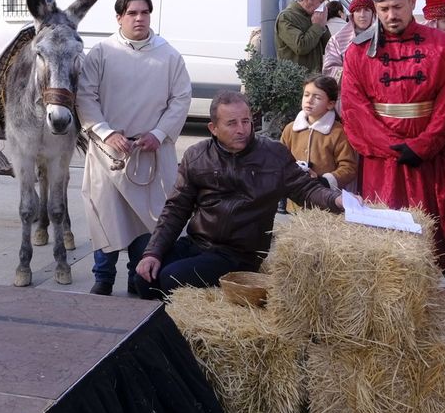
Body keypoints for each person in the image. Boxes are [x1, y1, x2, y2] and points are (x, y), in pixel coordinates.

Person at [134, 91, 342, 299]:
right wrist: (153, 252)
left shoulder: (272, 155)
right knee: (144, 279)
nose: (241, 130)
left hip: (238, 255)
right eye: (232, 123)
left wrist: (336, 199)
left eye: (246, 121)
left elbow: (306, 188)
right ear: (213, 129)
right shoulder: (197, 155)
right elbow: (176, 208)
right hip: (197, 243)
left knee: (172, 278)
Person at [341, 0, 445, 277]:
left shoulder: (442, 46)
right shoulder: (358, 51)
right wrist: (391, 147)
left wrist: (423, 145)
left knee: (441, 239)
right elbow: (355, 108)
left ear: (412, 2)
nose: (391, 15)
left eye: (397, 7)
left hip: (432, 158)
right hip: (384, 165)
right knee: (387, 244)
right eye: (383, 9)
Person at [77, 0, 192, 295]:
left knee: (146, 220)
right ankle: (103, 277)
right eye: (132, 13)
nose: (139, 18)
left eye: (144, 12)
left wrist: (158, 134)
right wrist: (106, 132)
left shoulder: (168, 55)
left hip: (149, 153)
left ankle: (136, 277)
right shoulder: (101, 53)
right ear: (119, 17)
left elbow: (181, 99)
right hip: (108, 153)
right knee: (106, 215)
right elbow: (85, 96)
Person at [279, 75, 359, 193]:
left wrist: (325, 181)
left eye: (317, 97)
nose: (309, 100)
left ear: (330, 104)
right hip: (294, 199)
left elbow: (348, 167)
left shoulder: (338, 132)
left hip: (327, 200)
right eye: (306, 95)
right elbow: (279, 160)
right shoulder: (290, 129)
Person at [275, 0, 332, 72]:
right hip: (295, 80)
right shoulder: (286, 17)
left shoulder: (313, 16)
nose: (323, 6)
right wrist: (317, 26)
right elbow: (301, 47)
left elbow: (328, 47)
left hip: (314, 77)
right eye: (321, 1)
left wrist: (323, 26)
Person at [322, 0, 374, 81]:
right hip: (346, 92)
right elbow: (328, 71)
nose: (362, 15)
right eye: (357, 10)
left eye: (366, 10)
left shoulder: (383, 38)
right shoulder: (337, 40)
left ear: (373, 14)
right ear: (352, 14)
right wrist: (355, 73)